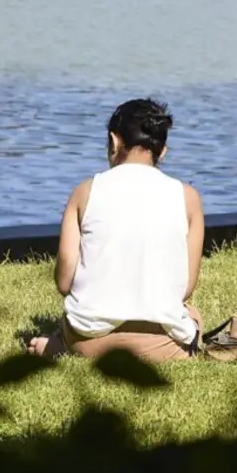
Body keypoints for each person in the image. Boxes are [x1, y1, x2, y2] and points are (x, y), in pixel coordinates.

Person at [27, 98, 205, 363]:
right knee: (193, 315)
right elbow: (185, 288)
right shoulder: (188, 197)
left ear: (113, 141)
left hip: (89, 341)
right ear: (163, 151)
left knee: (74, 323)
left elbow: (64, 281)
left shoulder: (84, 192)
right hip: (163, 345)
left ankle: (60, 347)